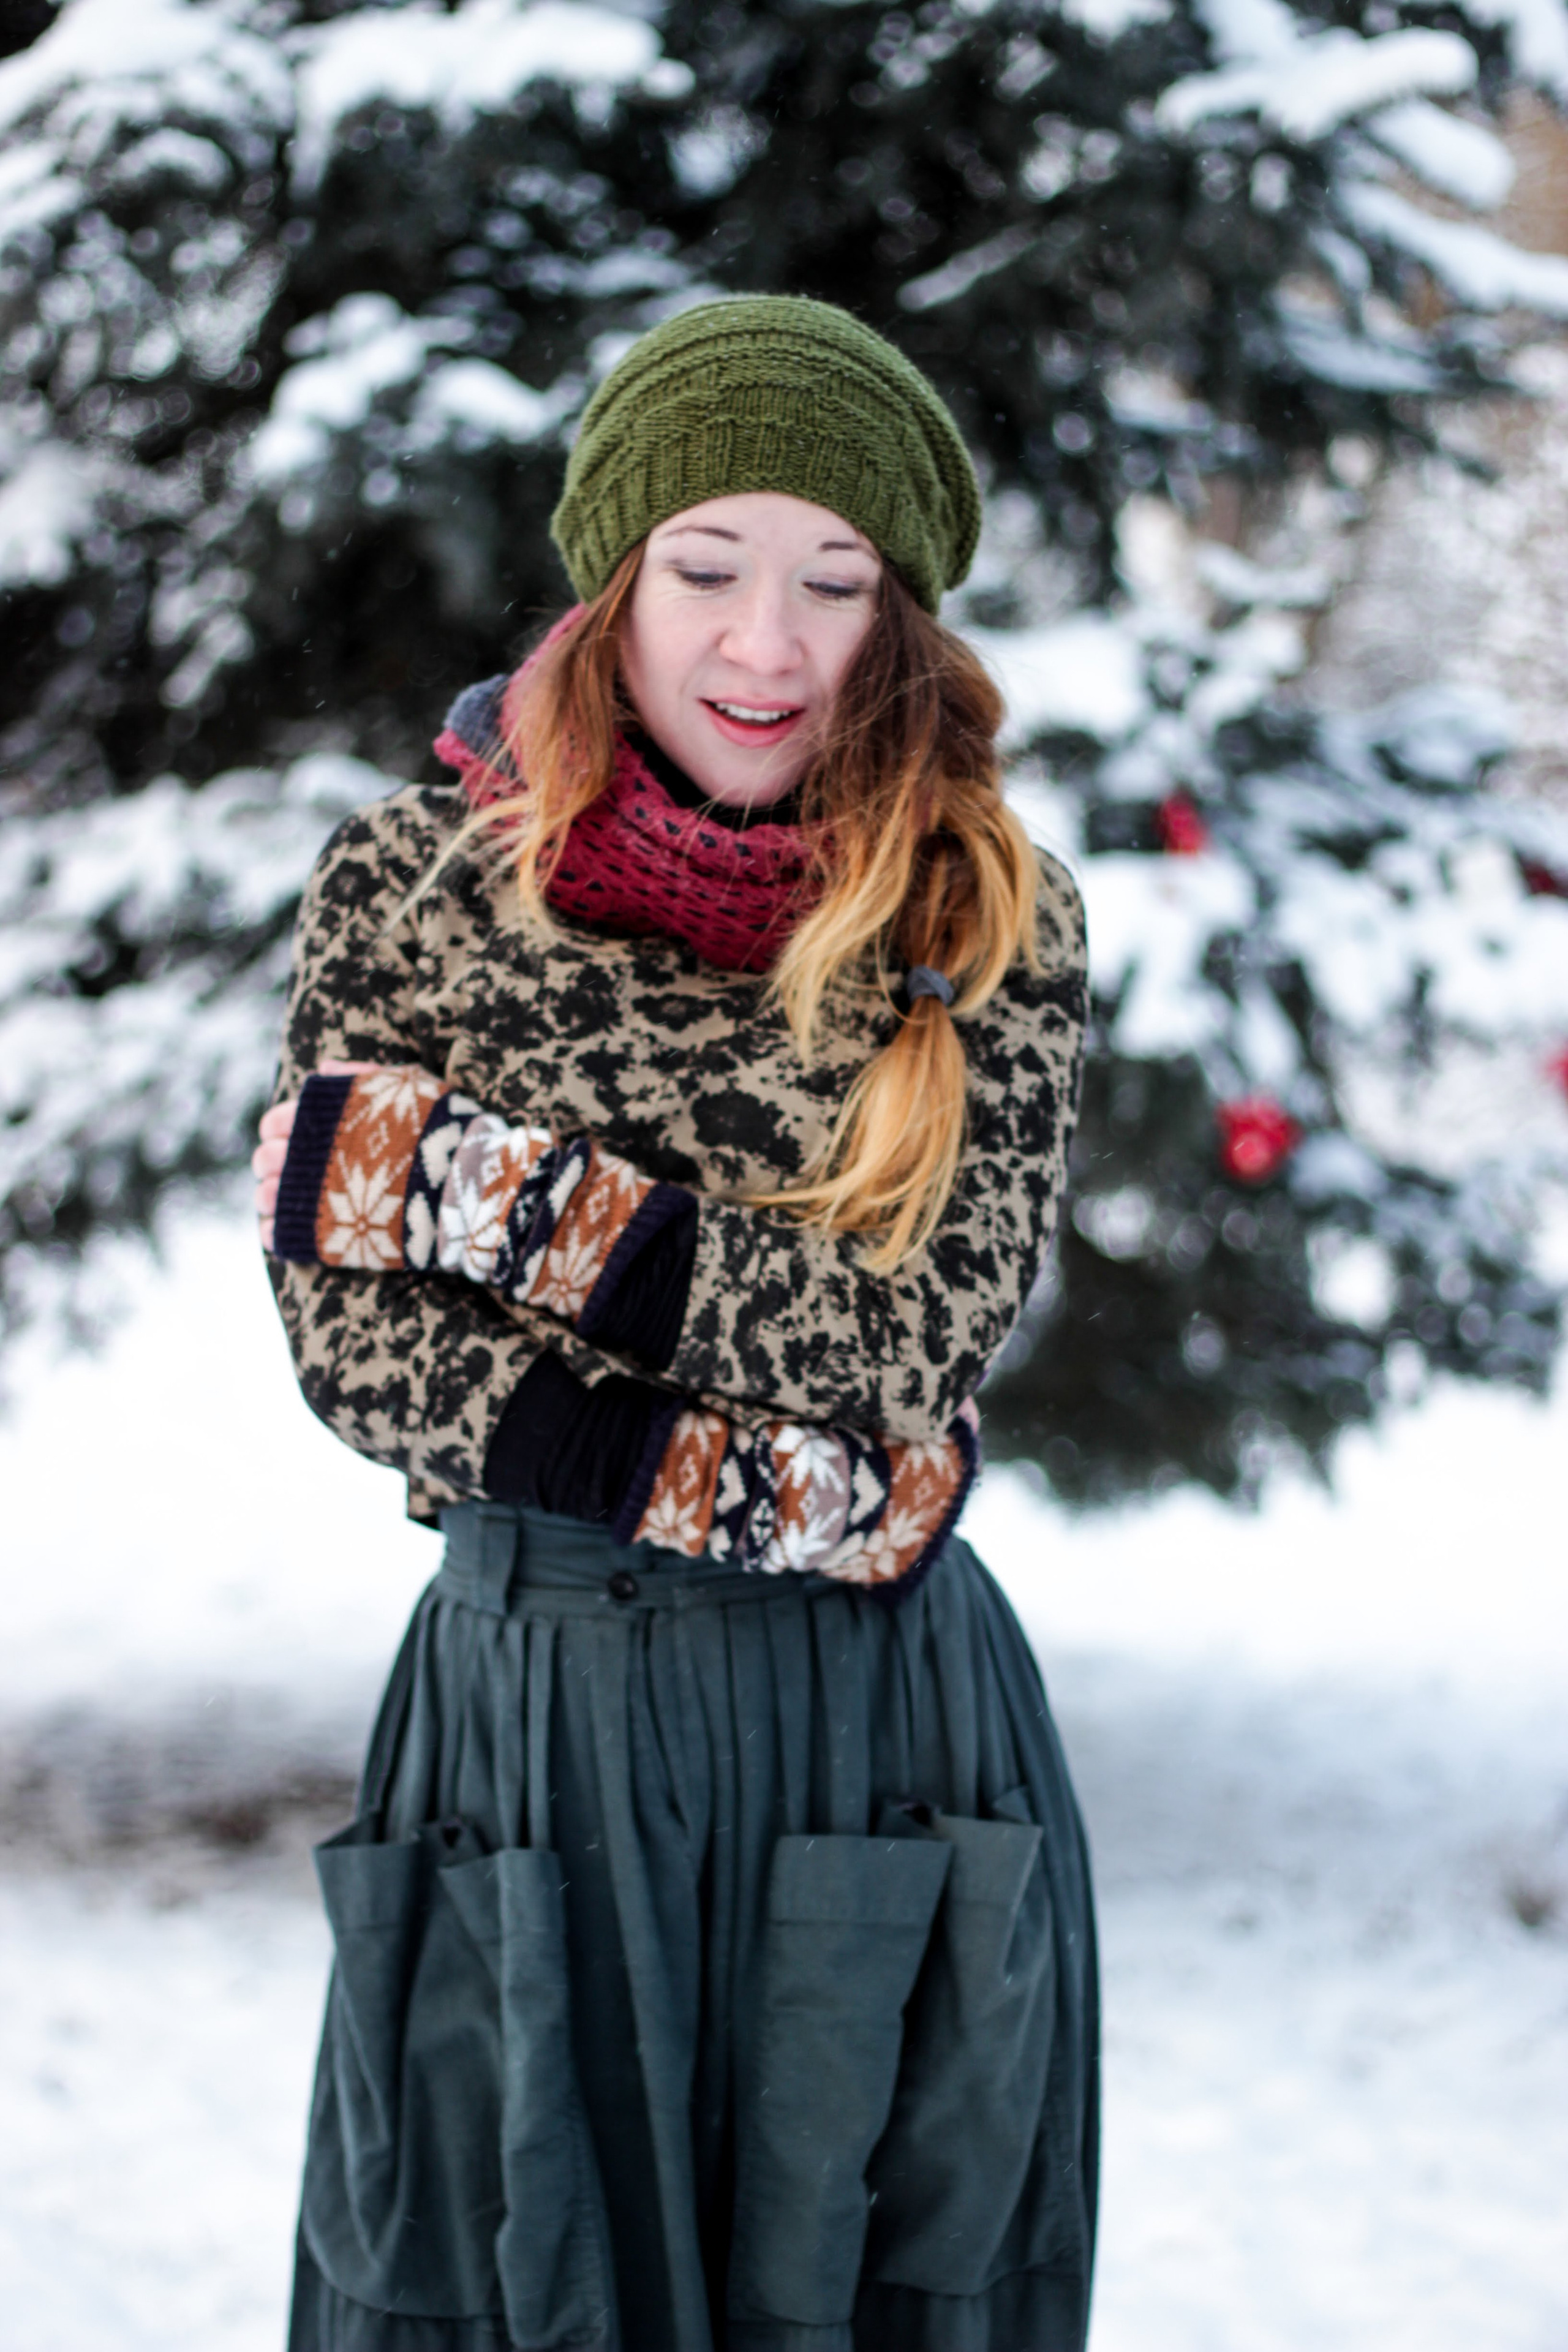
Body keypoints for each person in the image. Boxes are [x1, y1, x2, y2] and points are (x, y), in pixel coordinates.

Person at [254, 295, 1098, 2352]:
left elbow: (914, 1341)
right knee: (498, 2276)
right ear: (616, 584)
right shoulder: (409, 884)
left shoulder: (987, 910)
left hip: (879, 1733)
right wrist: (785, 1479)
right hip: (530, 1720)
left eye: (835, 581)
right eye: (709, 567)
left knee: (868, 2289)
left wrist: (487, 1194)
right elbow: (360, 1351)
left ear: (901, 620)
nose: (767, 644)